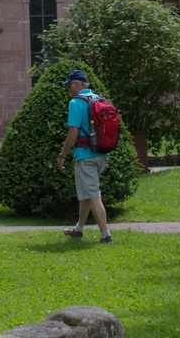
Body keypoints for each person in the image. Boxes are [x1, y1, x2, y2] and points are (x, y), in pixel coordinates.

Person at [56, 69, 113, 243]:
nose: (68, 90)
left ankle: (106, 236)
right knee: (86, 193)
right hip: (102, 154)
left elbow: (73, 132)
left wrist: (62, 154)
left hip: (85, 155)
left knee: (93, 195)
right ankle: (79, 229)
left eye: (69, 85)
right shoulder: (99, 99)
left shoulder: (75, 103)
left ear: (76, 85)